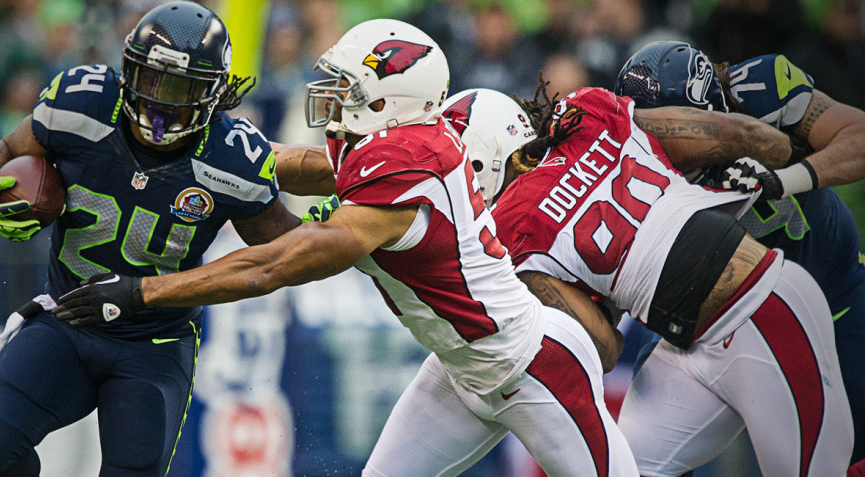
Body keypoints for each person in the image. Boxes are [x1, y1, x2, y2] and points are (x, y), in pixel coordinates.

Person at [53, 18, 641, 476]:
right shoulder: (394, 144)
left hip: (531, 364)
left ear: (388, 99)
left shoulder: (407, 166)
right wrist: (178, 145)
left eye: (348, 88)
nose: (331, 99)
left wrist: (143, 292)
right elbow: (297, 165)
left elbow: (276, 265)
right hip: (462, 369)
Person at [0, 2, 300, 475]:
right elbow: (8, 149)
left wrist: (335, 230)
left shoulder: (233, 157)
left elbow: (281, 255)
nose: (161, 101)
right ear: (126, 70)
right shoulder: (81, 103)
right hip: (67, 319)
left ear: (214, 93)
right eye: (151, 79)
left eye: (181, 87)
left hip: (154, 343)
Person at [457, 82, 851, 476]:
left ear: (478, 162)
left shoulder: (510, 236)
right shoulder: (588, 114)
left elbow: (606, 347)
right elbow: (742, 134)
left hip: (757, 309)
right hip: (691, 341)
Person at [615, 40, 865, 466]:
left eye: (672, 125)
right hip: (707, 327)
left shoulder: (759, 87)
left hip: (831, 302)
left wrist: (786, 179)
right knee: (631, 462)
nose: (661, 142)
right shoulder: (624, 158)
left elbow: (858, 137)